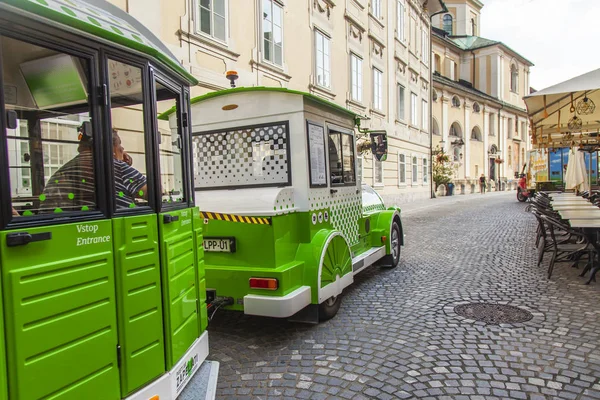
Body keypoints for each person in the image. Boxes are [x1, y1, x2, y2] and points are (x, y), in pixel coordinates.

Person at [42, 124, 147, 211]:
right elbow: (154, 192)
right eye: (119, 144)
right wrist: (122, 165)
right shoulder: (116, 167)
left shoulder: (65, 169)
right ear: (111, 147)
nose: (122, 148)